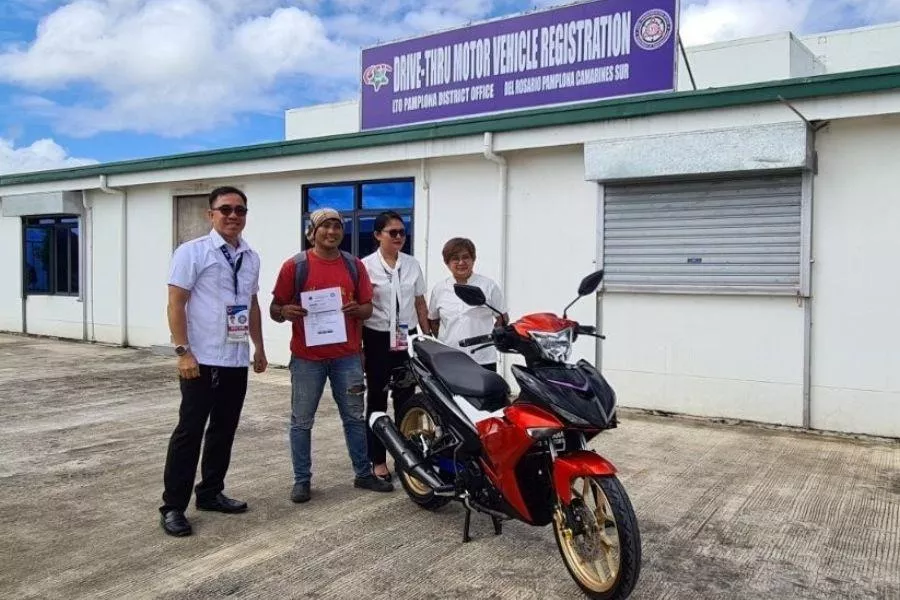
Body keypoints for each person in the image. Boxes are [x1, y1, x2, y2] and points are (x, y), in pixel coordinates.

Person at [160, 185, 268, 538]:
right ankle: (173, 506)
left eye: (240, 210)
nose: (233, 216)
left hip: (235, 357)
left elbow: (251, 304)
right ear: (211, 214)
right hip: (200, 358)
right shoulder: (192, 252)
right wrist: (183, 351)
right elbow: (176, 303)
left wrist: (259, 347)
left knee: (224, 429)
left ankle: (210, 492)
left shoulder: (251, 256)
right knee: (189, 432)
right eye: (226, 209)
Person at [269, 207, 394, 503]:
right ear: (312, 232)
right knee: (301, 421)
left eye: (337, 226)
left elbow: (367, 308)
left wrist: (356, 310)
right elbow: (275, 308)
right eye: (325, 226)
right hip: (306, 359)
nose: (332, 231)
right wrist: (285, 311)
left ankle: (363, 475)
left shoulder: (353, 266)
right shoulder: (295, 266)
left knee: (353, 418)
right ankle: (302, 480)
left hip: (347, 357)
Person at [360, 211, 431, 482]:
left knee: (406, 397)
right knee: (377, 399)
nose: (399, 237)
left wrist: (427, 338)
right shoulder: (365, 266)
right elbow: (361, 308)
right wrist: (360, 348)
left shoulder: (412, 265)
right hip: (377, 337)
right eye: (393, 232)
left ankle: (407, 457)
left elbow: (420, 303)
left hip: (407, 337)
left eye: (402, 232)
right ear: (378, 235)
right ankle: (377, 459)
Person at [428, 238, 508, 372]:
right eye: (455, 258)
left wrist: (490, 338)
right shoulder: (439, 289)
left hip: (482, 358)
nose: (461, 263)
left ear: (473, 259)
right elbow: (433, 320)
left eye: (466, 257)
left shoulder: (488, 286)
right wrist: (445, 341)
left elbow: (502, 317)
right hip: (449, 358)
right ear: (447, 262)